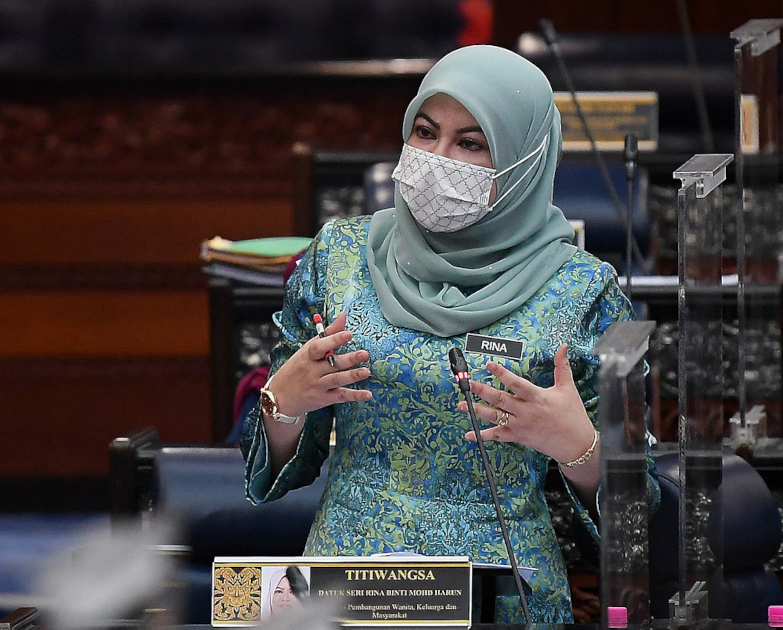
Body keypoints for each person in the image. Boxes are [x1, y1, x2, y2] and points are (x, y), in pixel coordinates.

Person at [240, 45, 659, 623]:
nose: (439, 158)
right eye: (425, 131)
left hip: (502, 591)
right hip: (345, 588)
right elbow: (277, 462)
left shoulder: (582, 290)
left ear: (524, 159)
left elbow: (637, 516)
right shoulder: (337, 257)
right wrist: (280, 405)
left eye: (470, 143)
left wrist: (579, 449)